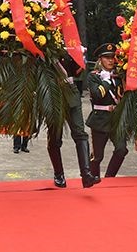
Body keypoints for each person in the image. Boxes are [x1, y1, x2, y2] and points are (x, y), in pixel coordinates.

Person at [46, 51, 102, 190]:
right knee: (55, 137)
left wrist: (79, 55)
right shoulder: (45, 46)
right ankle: (59, 174)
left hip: (71, 94)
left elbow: (77, 72)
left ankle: (86, 174)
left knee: (80, 133)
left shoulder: (71, 45)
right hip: (53, 94)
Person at [86, 43, 128, 178]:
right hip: (100, 119)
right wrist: (105, 81)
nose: (110, 61)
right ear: (100, 60)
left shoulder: (119, 76)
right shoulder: (94, 76)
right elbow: (97, 95)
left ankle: (110, 178)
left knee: (122, 150)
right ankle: (93, 179)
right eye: (107, 58)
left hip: (116, 119)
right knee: (97, 157)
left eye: (112, 58)